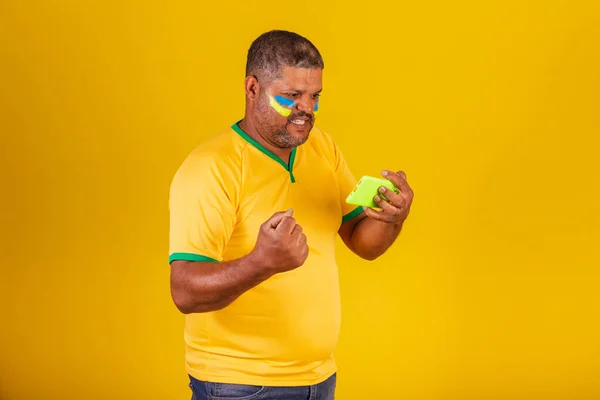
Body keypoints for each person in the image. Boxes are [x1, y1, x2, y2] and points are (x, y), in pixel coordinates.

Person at [168, 30, 414, 400]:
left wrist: (391, 216)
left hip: (319, 379)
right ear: (252, 88)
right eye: (291, 96)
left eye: (314, 96)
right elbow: (184, 290)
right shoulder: (210, 168)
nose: (307, 109)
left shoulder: (321, 147)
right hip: (240, 384)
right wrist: (261, 263)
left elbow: (364, 243)